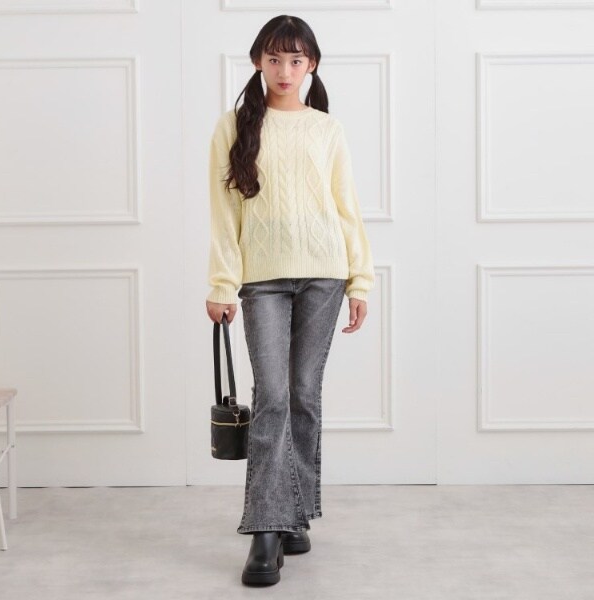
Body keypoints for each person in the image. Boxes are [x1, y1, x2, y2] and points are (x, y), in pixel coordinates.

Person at [205, 14, 375, 587]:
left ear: (311, 65)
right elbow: (224, 213)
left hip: (325, 275)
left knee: (303, 395)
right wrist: (222, 284)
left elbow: (346, 207)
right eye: (274, 59)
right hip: (263, 280)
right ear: (258, 61)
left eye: (295, 60)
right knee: (272, 397)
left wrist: (360, 280)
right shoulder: (234, 127)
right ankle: (266, 532)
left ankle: (294, 514)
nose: (284, 70)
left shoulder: (327, 129)